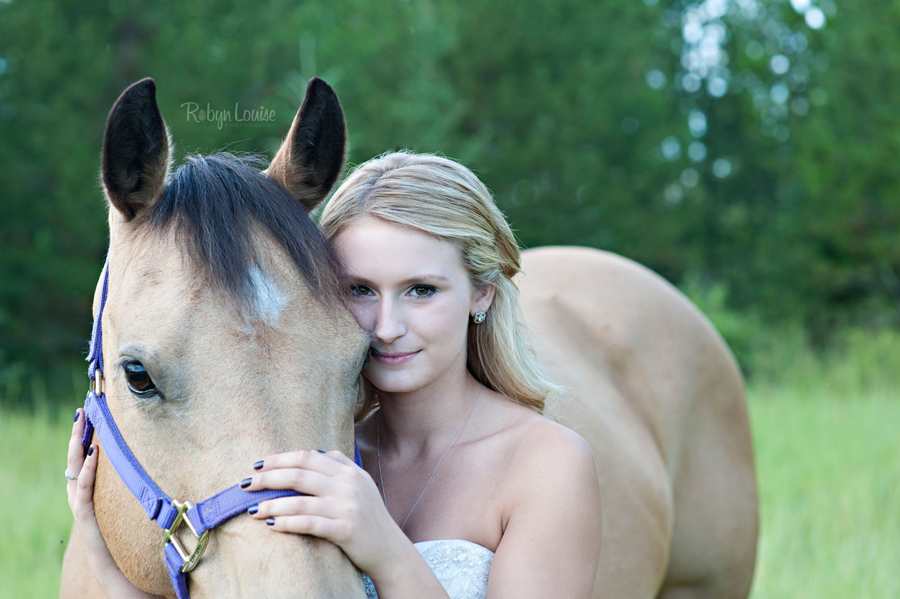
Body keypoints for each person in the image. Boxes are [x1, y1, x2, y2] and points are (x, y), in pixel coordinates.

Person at [66, 151, 603, 599]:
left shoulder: (548, 464)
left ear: (481, 293)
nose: (386, 328)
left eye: (421, 290)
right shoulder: (307, 450)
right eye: (359, 290)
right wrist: (103, 555)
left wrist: (385, 549)